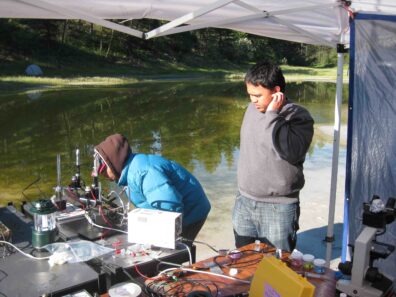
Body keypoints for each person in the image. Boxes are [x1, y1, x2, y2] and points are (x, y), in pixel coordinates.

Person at [233, 61, 314, 252]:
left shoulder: (298, 116)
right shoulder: (251, 109)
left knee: (277, 271)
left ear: (276, 91)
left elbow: (292, 152)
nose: (253, 100)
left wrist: (272, 115)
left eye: (258, 95)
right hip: (244, 202)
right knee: (244, 264)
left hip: (278, 208)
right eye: (250, 95)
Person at [94, 133, 211, 242]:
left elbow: (171, 208)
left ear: (114, 162)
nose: (103, 175)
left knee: (174, 253)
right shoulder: (128, 172)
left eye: (103, 170)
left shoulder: (144, 172)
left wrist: (161, 236)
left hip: (192, 211)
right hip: (179, 208)